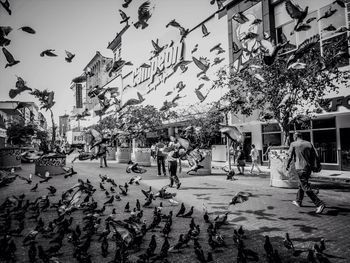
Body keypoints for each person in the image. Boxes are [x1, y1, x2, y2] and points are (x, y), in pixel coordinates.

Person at [286, 132, 325, 214]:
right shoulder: (309, 144)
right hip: (308, 168)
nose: (293, 138)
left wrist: (287, 165)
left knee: (305, 186)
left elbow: (289, 157)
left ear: (295, 136)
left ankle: (319, 203)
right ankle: (298, 201)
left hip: (300, 168)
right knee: (301, 184)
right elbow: (314, 156)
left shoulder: (293, 144)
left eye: (293, 136)